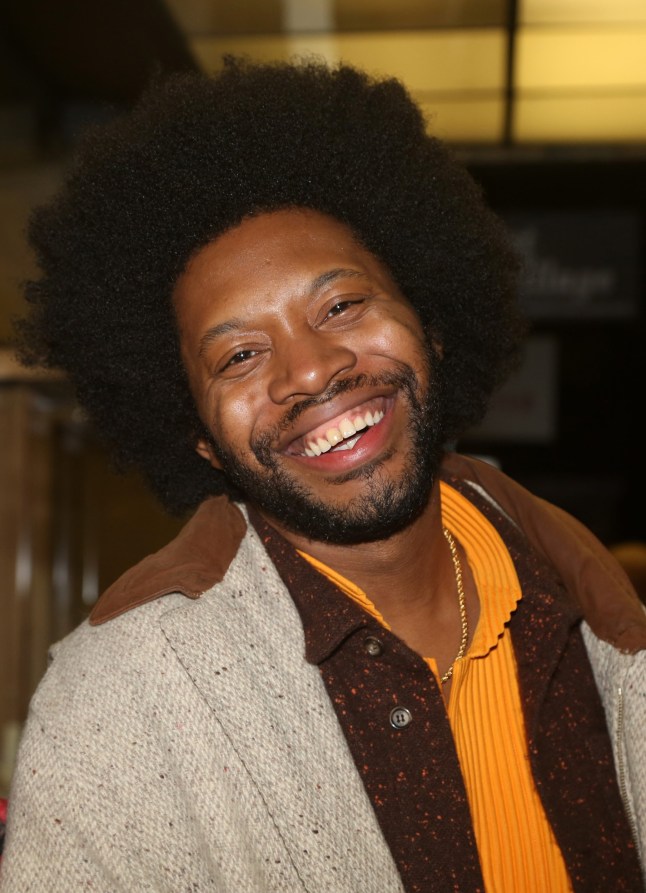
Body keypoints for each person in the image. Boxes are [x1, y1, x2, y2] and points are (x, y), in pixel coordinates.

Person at [1, 58, 644, 893]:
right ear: (198, 436)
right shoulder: (120, 706)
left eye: (341, 305)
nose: (309, 370)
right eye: (239, 354)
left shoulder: (597, 618)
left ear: (432, 326)